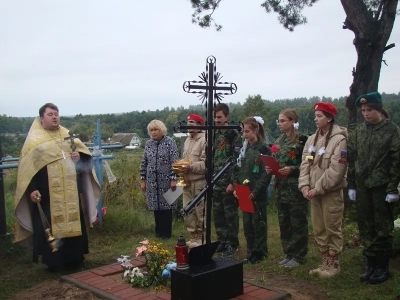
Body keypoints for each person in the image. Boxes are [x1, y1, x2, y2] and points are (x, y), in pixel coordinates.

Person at [14, 103, 101, 271]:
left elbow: (85, 161)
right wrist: (32, 188)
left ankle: (75, 258)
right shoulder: (34, 142)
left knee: (73, 222)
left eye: (56, 114)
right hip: (47, 195)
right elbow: (27, 170)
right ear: (42, 118)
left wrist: (79, 157)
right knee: (50, 226)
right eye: (50, 114)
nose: (55, 117)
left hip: (70, 194)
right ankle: (54, 263)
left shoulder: (68, 135)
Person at [348, 92, 400, 284]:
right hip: (362, 186)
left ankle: (382, 266)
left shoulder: (392, 130)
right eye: (363, 110)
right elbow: (352, 159)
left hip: (381, 186)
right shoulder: (359, 131)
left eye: (369, 110)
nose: (366, 114)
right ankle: (370, 264)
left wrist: (393, 188)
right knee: (366, 225)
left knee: (382, 227)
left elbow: (396, 162)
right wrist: (352, 184)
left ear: (378, 109)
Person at [299, 102, 347, 278]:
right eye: (315, 116)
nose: (315, 119)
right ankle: (324, 261)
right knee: (319, 228)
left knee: (332, 226)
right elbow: (306, 164)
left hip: (329, 192)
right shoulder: (312, 139)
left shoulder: (339, 140)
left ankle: (333, 264)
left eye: (320, 116)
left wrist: (317, 188)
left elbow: (336, 170)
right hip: (313, 192)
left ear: (329, 118)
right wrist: (305, 186)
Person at [266, 109, 308, 267]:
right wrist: (271, 168)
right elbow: (276, 159)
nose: (280, 124)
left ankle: (299, 255)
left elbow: (306, 163)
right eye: (279, 120)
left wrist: (292, 169)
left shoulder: (302, 140)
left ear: (292, 121)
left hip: (294, 188)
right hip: (281, 186)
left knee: (297, 222)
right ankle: (289, 253)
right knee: (284, 222)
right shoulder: (279, 140)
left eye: (283, 120)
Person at [233, 116, 271, 264]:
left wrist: (256, 191)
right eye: (243, 131)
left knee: (258, 223)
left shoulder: (263, 149)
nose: (245, 135)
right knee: (247, 224)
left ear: (256, 130)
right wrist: (236, 186)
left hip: (256, 193)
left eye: (247, 131)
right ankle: (251, 251)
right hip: (243, 191)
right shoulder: (244, 149)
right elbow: (237, 167)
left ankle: (260, 252)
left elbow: (266, 173)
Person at [140, 119, 178, 239]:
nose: (154, 132)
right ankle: (158, 232)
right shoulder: (148, 144)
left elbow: (175, 162)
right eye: (151, 130)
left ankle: (166, 234)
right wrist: (143, 179)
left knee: (166, 208)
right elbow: (144, 162)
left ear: (161, 130)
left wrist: (173, 178)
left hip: (166, 181)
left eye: (156, 129)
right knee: (155, 207)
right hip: (152, 181)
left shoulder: (170, 142)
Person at [213, 103, 242, 256]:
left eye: (220, 117)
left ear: (226, 117)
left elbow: (237, 159)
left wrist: (232, 182)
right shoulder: (213, 133)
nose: (217, 120)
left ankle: (233, 243)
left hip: (227, 180)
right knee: (218, 213)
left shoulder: (233, 134)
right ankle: (222, 240)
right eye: (215, 117)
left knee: (230, 213)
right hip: (215, 180)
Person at [181, 114, 206, 248]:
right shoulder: (187, 140)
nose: (189, 125)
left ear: (199, 124)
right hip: (187, 181)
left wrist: (190, 166)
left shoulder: (204, 139)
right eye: (188, 122)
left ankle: (202, 238)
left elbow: (206, 164)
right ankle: (193, 236)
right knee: (188, 210)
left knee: (200, 211)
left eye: (192, 123)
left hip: (199, 181)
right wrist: (180, 166)